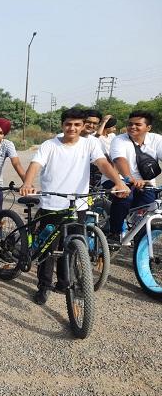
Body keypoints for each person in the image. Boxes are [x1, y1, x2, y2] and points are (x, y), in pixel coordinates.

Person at [20, 108, 130, 305]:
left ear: (82, 126)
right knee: (48, 250)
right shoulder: (50, 145)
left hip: (77, 205)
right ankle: (44, 286)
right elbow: (35, 165)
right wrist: (28, 183)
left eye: (77, 125)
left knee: (71, 247)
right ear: (63, 125)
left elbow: (103, 163)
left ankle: (64, 282)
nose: (72, 128)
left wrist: (119, 182)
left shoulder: (90, 144)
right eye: (68, 124)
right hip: (52, 205)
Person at [101, 110, 162, 246]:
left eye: (137, 124)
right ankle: (114, 233)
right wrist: (129, 179)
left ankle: (138, 235)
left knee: (149, 205)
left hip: (146, 183)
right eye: (130, 124)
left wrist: (141, 182)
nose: (132, 127)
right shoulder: (119, 140)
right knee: (125, 196)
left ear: (148, 128)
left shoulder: (157, 140)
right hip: (117, 179)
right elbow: (119, 159)